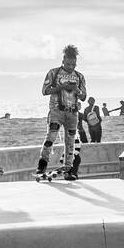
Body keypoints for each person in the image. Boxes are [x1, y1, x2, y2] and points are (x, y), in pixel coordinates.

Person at [36, 44, 87, 181]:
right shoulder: (54, 73)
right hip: (56, 111)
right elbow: (44, 91)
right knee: (51, 136)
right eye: (69, 64)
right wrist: (61, 87)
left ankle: (68, 170)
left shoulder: (79, 76)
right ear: (63, 60)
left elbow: (84, 97)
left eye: (73, 65)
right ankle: (42, 164)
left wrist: (77, 91)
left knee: (70, 142)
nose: (71, 67)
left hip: (73, 113)